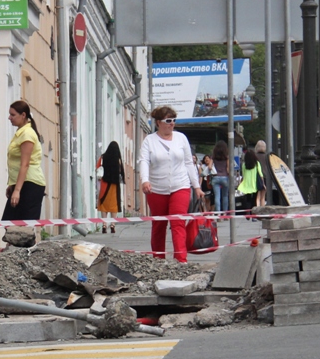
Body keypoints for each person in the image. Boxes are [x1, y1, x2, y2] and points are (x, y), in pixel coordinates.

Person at [138, 106, 204, 263]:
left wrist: (196, 186)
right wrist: (145, 180)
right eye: (168, 121)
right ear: (159, 122)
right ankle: (158, 260)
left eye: (174, 120)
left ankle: (181, 260)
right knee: (159, 225)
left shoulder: (181, 138)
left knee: (178, 223)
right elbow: (144, 161)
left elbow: (189, 162)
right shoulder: (149, 141)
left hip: (180, 186)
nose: (172, 124)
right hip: (157, 189)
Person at [2, 100, 46, 220]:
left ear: (23, 115)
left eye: (13, 115)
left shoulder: (27, 134)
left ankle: (29, 240)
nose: (9, 117)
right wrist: (12, 185)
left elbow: (25, 164)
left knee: (22, 227)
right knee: (9, 222)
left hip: (30, 184)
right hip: (22, 183)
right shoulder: (21, 133)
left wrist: (17, 190)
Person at [96, 141, 124, 233]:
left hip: (104, 184)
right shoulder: (118, 160)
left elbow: (97, 167)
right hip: (114, 186)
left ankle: (104, 224)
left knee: (103, 204)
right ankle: (112, 224)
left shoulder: (103, 157)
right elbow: (120, 172)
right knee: (114, 205)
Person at [238, 148, 264, 212]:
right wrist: (263, 183)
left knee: (248, 199)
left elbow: (243, 175)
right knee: (254, 199)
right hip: (254, 184)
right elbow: (261, 175)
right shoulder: (257, 164)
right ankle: (253, 214)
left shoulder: (244, 165)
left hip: (247, 184)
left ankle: (248, 212)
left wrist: (241, 182)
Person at [211, 140, 231, 213]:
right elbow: (228, 169)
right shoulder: (227, 157)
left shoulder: (213, 157)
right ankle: (225, 214)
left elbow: (210, 167)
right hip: (225, 177)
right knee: (225, 196)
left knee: (217, 196)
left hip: (215, 178)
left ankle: (218, 214)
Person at [254, 140, 274, 207]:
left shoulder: (254, 156)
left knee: (257, 196)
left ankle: (257, 211)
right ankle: (262, 212)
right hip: (266, 178)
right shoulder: (267, 157)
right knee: (263, 197)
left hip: (257, 178)